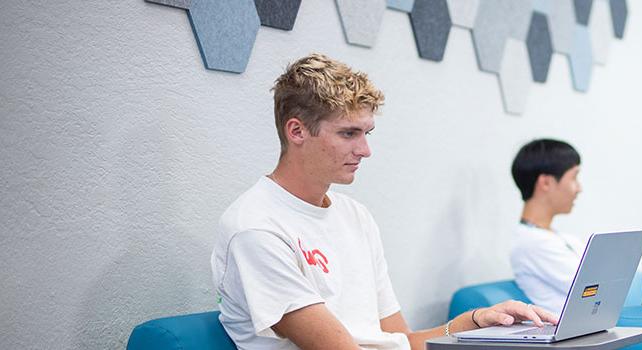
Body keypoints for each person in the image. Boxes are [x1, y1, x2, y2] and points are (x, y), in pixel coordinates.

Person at [210, 53, 557, 350]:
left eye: (366, 133)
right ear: (297, 131)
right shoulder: (256, 228)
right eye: (348, 134)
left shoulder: (355, 216)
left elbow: (399, 340)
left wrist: (476, 322)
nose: (365, 150)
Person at [508, 139, 585, 313]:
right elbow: (595, 290)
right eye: (574, 177)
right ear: (546, 182)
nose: (579, 188)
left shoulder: (560, 238)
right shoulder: (531, 243)